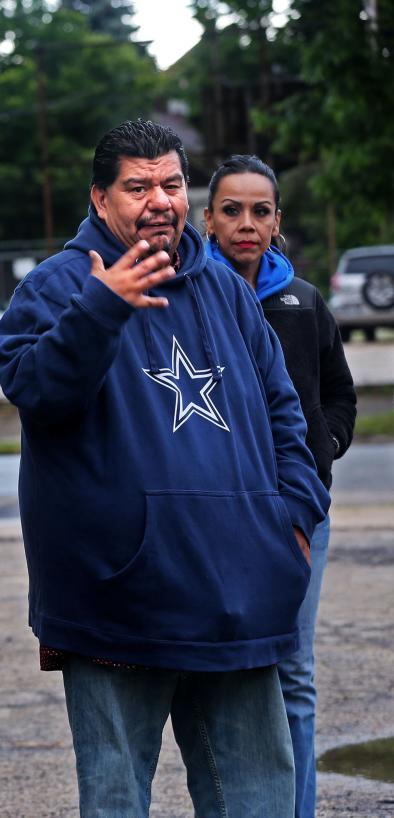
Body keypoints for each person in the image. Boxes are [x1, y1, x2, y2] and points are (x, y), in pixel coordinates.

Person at [0, 120, 330, 817]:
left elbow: (285, 414)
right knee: (117, 799)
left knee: (257, 797)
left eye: (171, 184)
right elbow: (35, 390)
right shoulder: (58, 287)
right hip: (119, 599)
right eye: (137, 186)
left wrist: (292, 525)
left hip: (238, 589)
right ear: (100, 198)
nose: (159, 201)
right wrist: (102, 307)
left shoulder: (226, 290)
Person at [203, 154, 357, 818]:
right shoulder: (185, 299)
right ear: (206, 219)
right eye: (231, 209)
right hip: (217, 519)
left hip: (298, 516)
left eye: (259, 210)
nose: (246, 223)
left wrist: (322, 450)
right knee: (225, 673)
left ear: (276, 222)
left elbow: (340, 398)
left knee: (293, 671)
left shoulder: (303, 303)